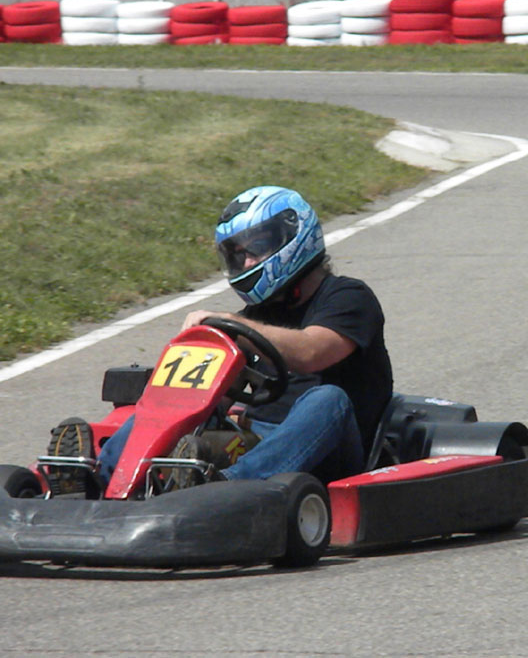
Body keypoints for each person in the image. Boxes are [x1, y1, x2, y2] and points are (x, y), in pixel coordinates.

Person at [47, 185, 393, 494]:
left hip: (330, 448)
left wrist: (230, 324)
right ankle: (100, 478)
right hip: (256, 441)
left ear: (293, 236)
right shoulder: (253, 319)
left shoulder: (348, 297)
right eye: (237, 254)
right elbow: (217, 396)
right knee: (174, 403)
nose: (246, 261)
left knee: (328, 398)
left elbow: (312, 352)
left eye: (255, 248)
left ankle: (228, 488)